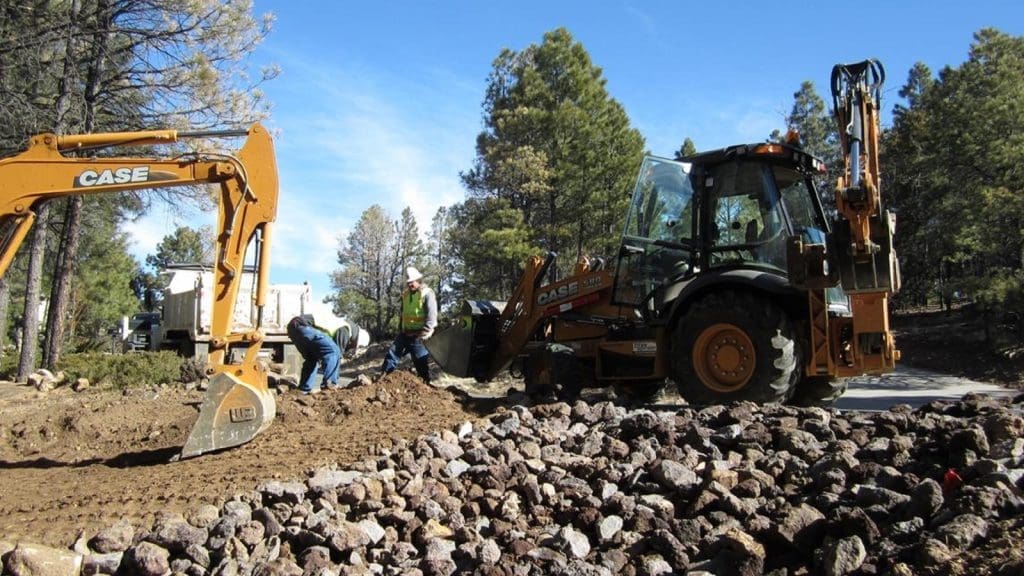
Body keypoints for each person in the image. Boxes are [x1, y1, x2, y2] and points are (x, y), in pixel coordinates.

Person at [381, 266, 437, 384]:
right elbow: (402, 314)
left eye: (413, 282)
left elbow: (432, 317)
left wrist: (424, 332)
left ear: (418, 280)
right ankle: (384, 379)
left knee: (420, 362)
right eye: (409, 282)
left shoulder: (427, 294)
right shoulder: (405, 295)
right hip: (405, 333)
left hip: (420, 335)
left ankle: (425, 384)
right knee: (392, 354)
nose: (410, 284)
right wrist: (401, 329)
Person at [286, 314, 340, 394]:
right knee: (333, 351)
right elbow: (336, 348)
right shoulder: (343, 327)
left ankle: (304, 389)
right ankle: (329, 384)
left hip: (293, 331)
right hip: (303, 327)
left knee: (311, 358)